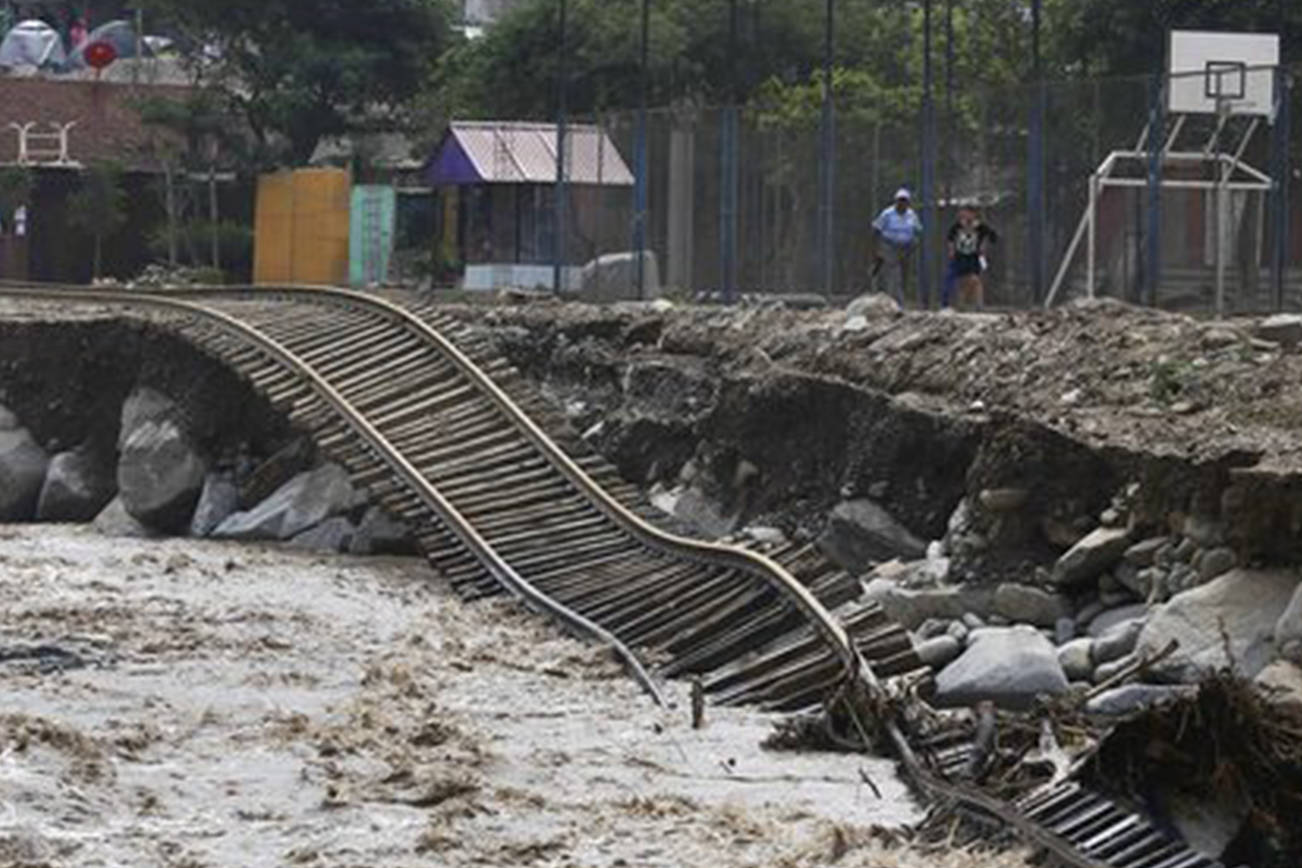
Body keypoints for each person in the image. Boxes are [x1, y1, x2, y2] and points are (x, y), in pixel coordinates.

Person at [872, 188, 922, 306]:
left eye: (904, 201)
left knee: (904, 275)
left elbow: (918, 230)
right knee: (894, 274)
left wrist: (914, 243)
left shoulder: (911, 215)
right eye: (900, 200)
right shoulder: (887, 214)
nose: (902, 203)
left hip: (906, 248)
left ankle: (898, 298)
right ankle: (896, 303)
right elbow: (876, 229)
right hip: (890, 246)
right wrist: (877, 249)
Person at [945, 205, 997, 309]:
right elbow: (950, 238)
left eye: (968, 213)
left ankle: (979, 304)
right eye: (963, 213)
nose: (965, 215)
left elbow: (993, 236)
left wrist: (984, 244)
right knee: (962, 281)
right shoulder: (957, 226)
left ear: (974, 214)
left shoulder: (980, 227)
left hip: (974, 256)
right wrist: (951, 250)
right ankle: (961, 304)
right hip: (960, 256)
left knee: (975, 279)